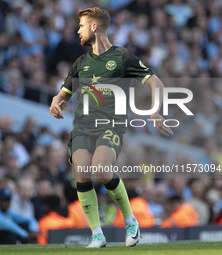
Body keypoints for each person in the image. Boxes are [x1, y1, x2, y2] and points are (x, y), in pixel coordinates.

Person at [50, 7, 173, 248]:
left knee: (102, 168)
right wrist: (55, 104)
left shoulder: (122, 57)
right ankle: (97, 234)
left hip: (110, 124)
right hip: (82, 128)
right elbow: (62, 95)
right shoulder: (80, 63)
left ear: (94, 27)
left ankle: (131, 222)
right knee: (82, 174)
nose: (78, 30)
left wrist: (155, 110)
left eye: (82, 25)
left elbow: (156, 83)